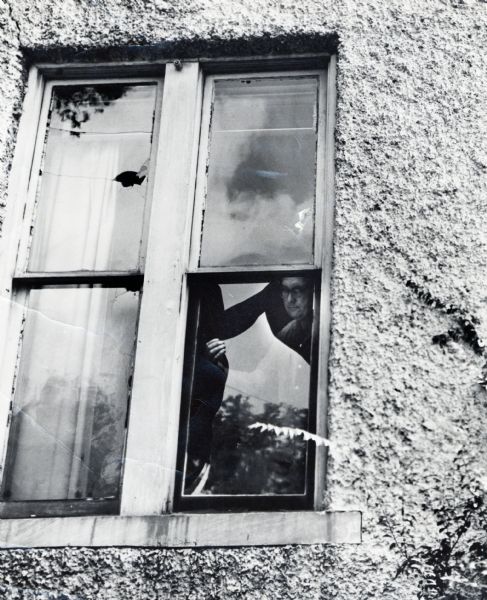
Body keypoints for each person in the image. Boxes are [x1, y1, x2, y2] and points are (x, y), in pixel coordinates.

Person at [182, 276, 313, 493]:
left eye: (298, 290)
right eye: (285, 291)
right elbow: (257, 381)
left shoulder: (314, 338)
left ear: (313, 293)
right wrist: (221, 371)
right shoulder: (285, 338)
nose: (290, 299)